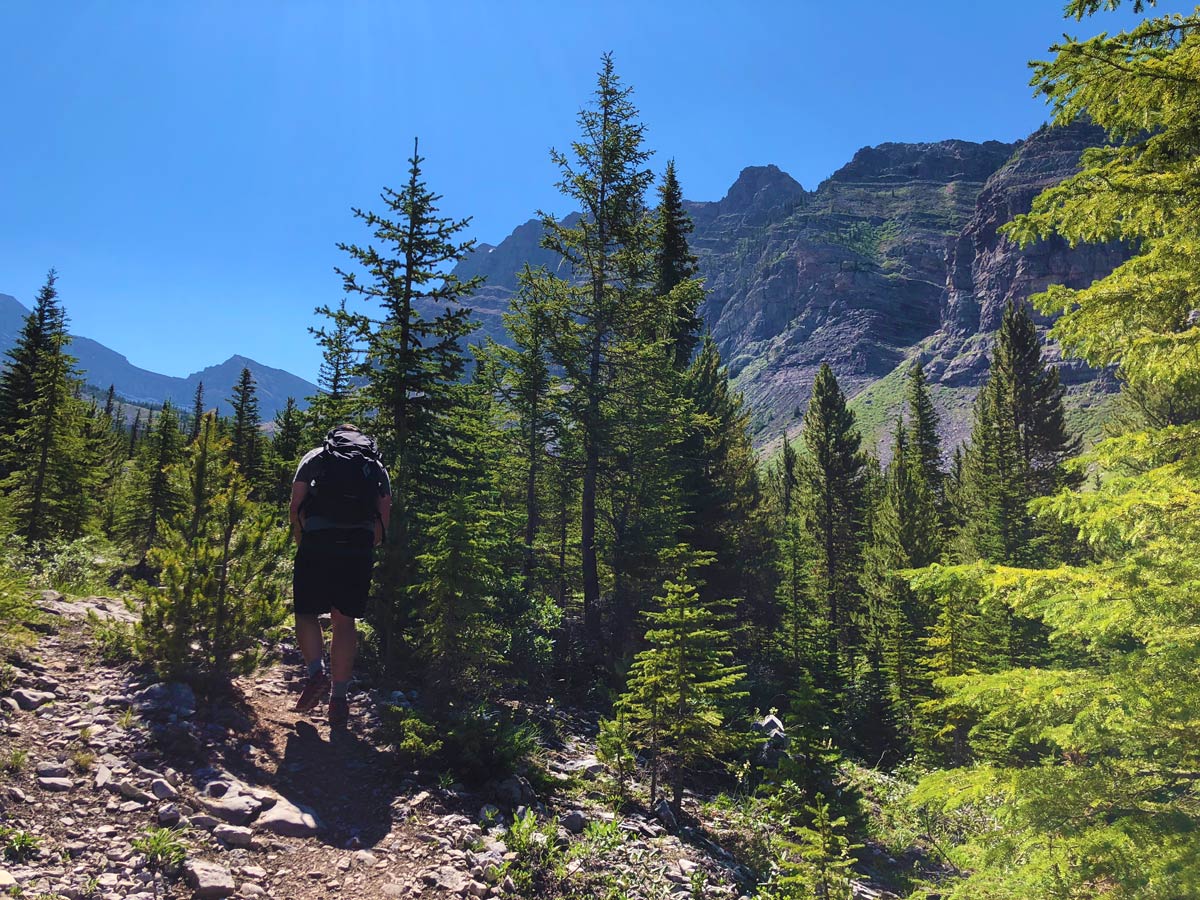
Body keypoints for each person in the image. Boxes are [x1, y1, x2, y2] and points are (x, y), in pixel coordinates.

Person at [289, 424, 391, 727]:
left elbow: (296, 505)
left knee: (306, 612)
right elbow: (384, 516)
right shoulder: (374, 466)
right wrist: (366, 545)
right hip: (357, 547)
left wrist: (302, 539)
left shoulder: (316, 457)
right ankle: (339, 699)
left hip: (317, 541)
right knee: (344, 620)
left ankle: (316, 673)